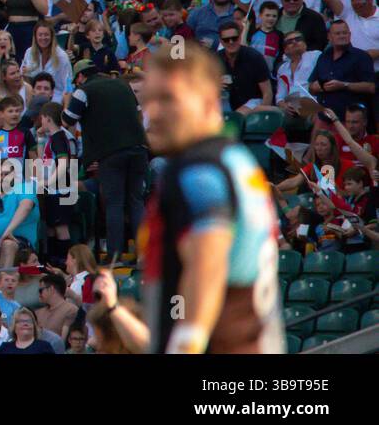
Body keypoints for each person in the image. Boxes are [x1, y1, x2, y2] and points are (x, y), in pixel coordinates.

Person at [92, 48, 284, 353]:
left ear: (208, 101)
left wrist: (186, 342)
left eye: (167, 99)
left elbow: (209, 256)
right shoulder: (232, 161)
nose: (151, 112)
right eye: (147, 100)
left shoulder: (199, 171)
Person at [63, 59, 148, 260]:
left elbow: (67, 120)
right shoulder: (122, 84)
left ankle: (115, 254)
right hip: (138, 149)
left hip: (111, 154)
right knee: (136, 202)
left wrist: (67, 100)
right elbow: (138, 114)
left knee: (115, 204)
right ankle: (145, 254)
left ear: (81, 76)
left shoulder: (84, 90)